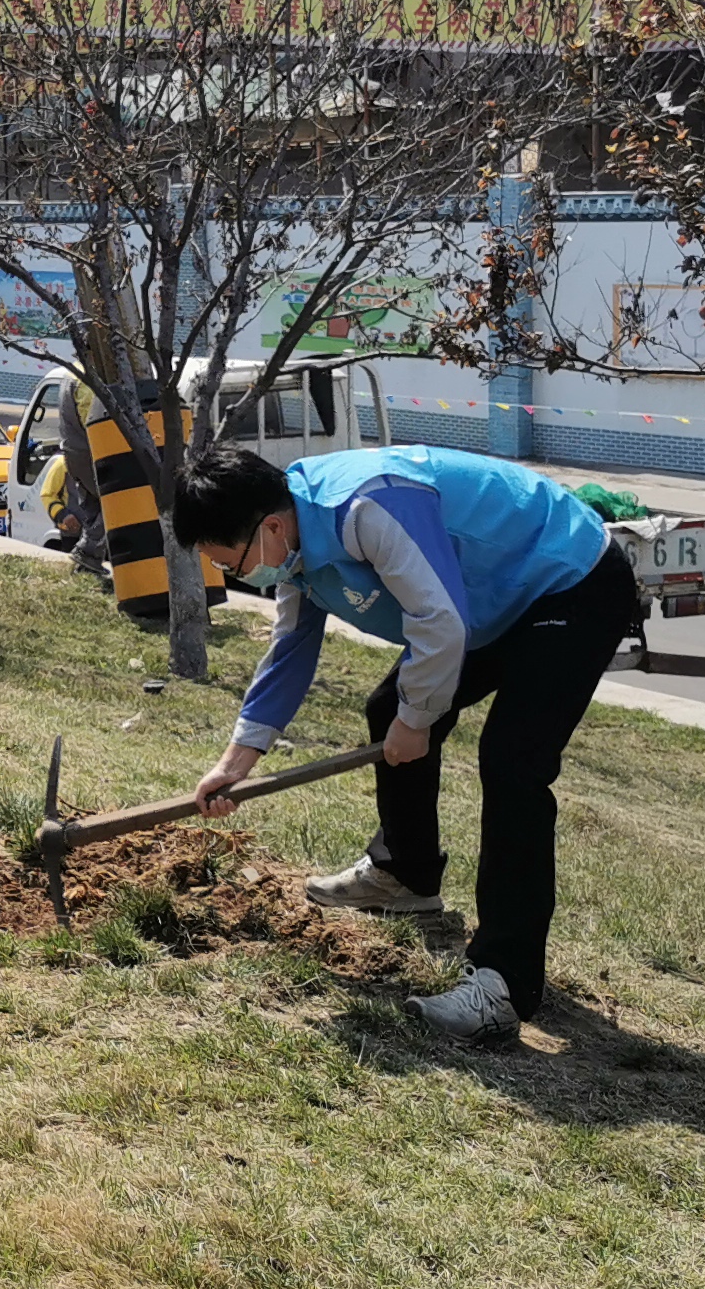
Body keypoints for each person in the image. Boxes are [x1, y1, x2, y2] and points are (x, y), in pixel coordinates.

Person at [170, 443, 639, 1040]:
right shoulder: (292, 546)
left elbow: (440, 624)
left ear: (269, 526)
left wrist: (418, 723)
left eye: (231, 563)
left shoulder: (368, 507)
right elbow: (289, 650)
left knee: (513, 761)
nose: (238, 576)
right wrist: (237, 760)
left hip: (566, 578)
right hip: (485, 602)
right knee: (388, 706)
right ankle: (405, 875)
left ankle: (503, 984)